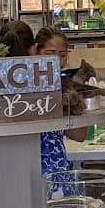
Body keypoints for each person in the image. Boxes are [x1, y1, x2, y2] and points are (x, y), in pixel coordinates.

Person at [33, 27, 72, 177]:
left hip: (57, 165)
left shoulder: (64, 84)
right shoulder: (24, 83)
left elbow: (79, 134)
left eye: (62, 55)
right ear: (36, 51)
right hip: (29, 165)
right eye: (50, 53)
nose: (56, 59)